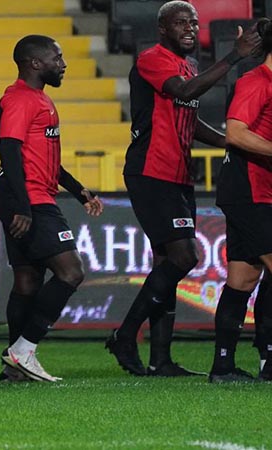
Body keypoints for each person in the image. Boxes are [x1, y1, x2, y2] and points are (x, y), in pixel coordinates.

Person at [106, 0, 262, 377]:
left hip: (177, 174)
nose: (190, 29)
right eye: (181, 23)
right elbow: (184, 91)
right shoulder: (152, 59)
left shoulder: (188, 64)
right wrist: (233, 58)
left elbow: (189, 121)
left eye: (193, 23)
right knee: (184, 257)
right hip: (150, 171)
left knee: (168, 263)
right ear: (163, 29)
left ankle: (161, 360)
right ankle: (126, 335)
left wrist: (229, 141)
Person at [0, 34, 104, 383]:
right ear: (35, 63)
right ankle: (24, 349)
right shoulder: (22, 100)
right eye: (57, 57)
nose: (63, 64)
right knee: (71, 272)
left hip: (25, 194)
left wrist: (79, 190)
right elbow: (9, 152)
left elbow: (42, 158)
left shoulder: (39, 99)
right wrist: (23, 207)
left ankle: (15, 368)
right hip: (28, 198)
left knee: (27, 281)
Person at [210, 17, 272, 383]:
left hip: (258, 190)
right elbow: (235, 133)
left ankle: (223, 366)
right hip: (249, 190)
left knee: (244, 278)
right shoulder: (256, 81)